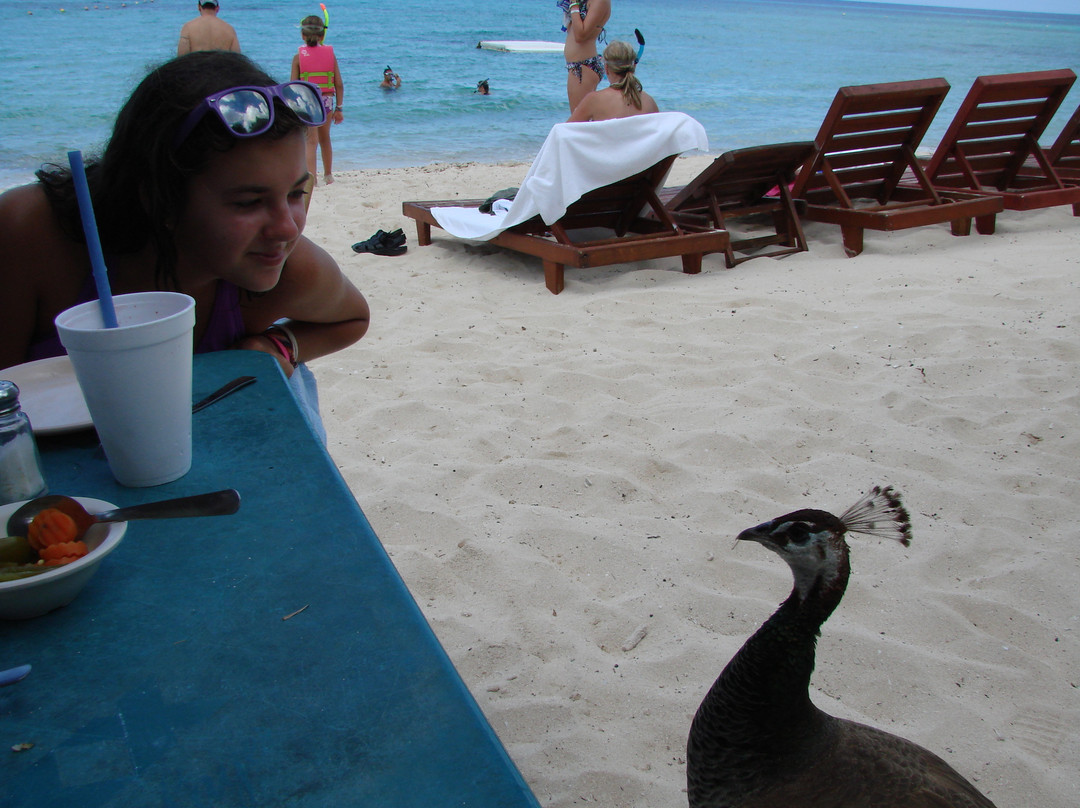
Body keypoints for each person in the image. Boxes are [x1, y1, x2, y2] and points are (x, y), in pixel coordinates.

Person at [0, 51, 369, 441]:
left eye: (296, 192)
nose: (286, 229)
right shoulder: (31, 235)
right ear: (160, 198)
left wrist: (279, 344)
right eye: (248, 202)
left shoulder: (283, 267)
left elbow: (353, 318)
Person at [290, 15, 343, 186]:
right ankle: (328, 175)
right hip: (326, 100)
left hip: (307, 100)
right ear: (322, 36)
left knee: (310, 141)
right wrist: (339, 108)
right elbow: (339, 84)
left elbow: (293, 86)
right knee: (324, 137)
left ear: (302, 35)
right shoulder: (330, 55)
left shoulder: (298, 57)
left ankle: (312, 179)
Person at [567, 40, 657, 122]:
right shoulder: (649, 102)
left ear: (606, 68)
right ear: (633, 67)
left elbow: (564, 131)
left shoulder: (594, 100)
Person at [559, 0, 611, 113]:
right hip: (578, 66)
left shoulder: (600, 2)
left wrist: (574, 5)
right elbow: (572, 30)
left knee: (579, 122)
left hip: (584, 66)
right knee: (581, 120)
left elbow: (580, 35)